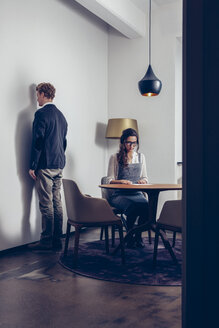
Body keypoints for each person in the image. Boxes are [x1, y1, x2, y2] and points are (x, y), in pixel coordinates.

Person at [28, 82, 68, 250]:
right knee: (57, 202)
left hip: (45, 164)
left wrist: (32, 165)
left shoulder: (41, 114)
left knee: (46, 204)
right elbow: (64, 142)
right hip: (59, 163)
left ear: (44, 94)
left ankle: (46, 241)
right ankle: (57, 240)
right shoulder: (61, 116)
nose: (37, 98)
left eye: (37, 95)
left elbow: (38, 141)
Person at [106, 128, 149, 248]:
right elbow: (109, 180)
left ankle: (138, 235)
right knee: (133, 207)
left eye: (134, 143)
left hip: (136, 193)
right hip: (119, 194)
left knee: (147, 208)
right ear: (123, 142)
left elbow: (145, 177)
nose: (132, 146)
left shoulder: (141, 157)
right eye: (129, 142)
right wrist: (121, 181)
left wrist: (143, 181)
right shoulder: (115, 157)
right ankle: (130, 236)